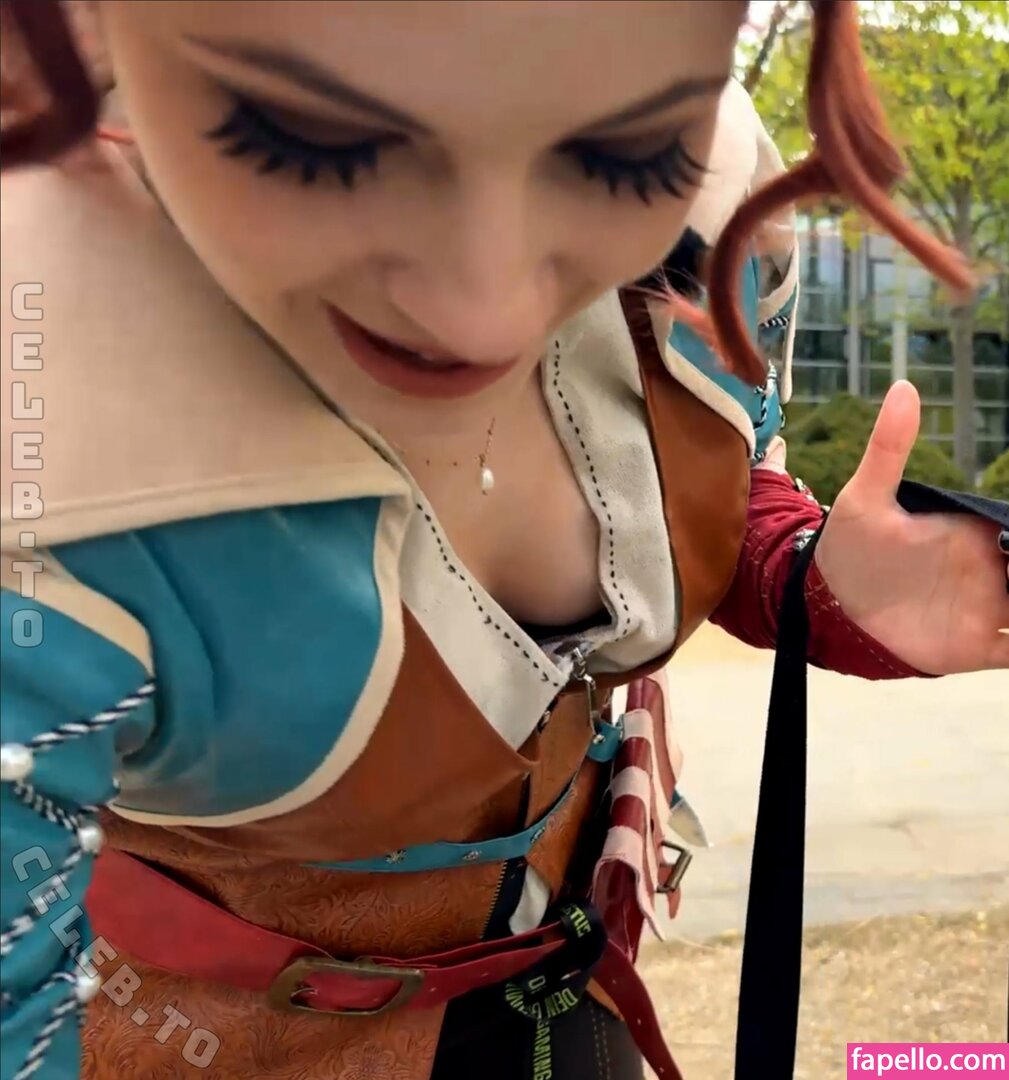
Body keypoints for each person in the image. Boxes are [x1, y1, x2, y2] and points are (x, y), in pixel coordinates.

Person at [1, 2, 1005, 1079]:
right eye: (307, 139)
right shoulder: (40, 454)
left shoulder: (723, 188)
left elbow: (716, 469)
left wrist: (809, 577)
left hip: (565, 984)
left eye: (620, 149)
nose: (485, 312)